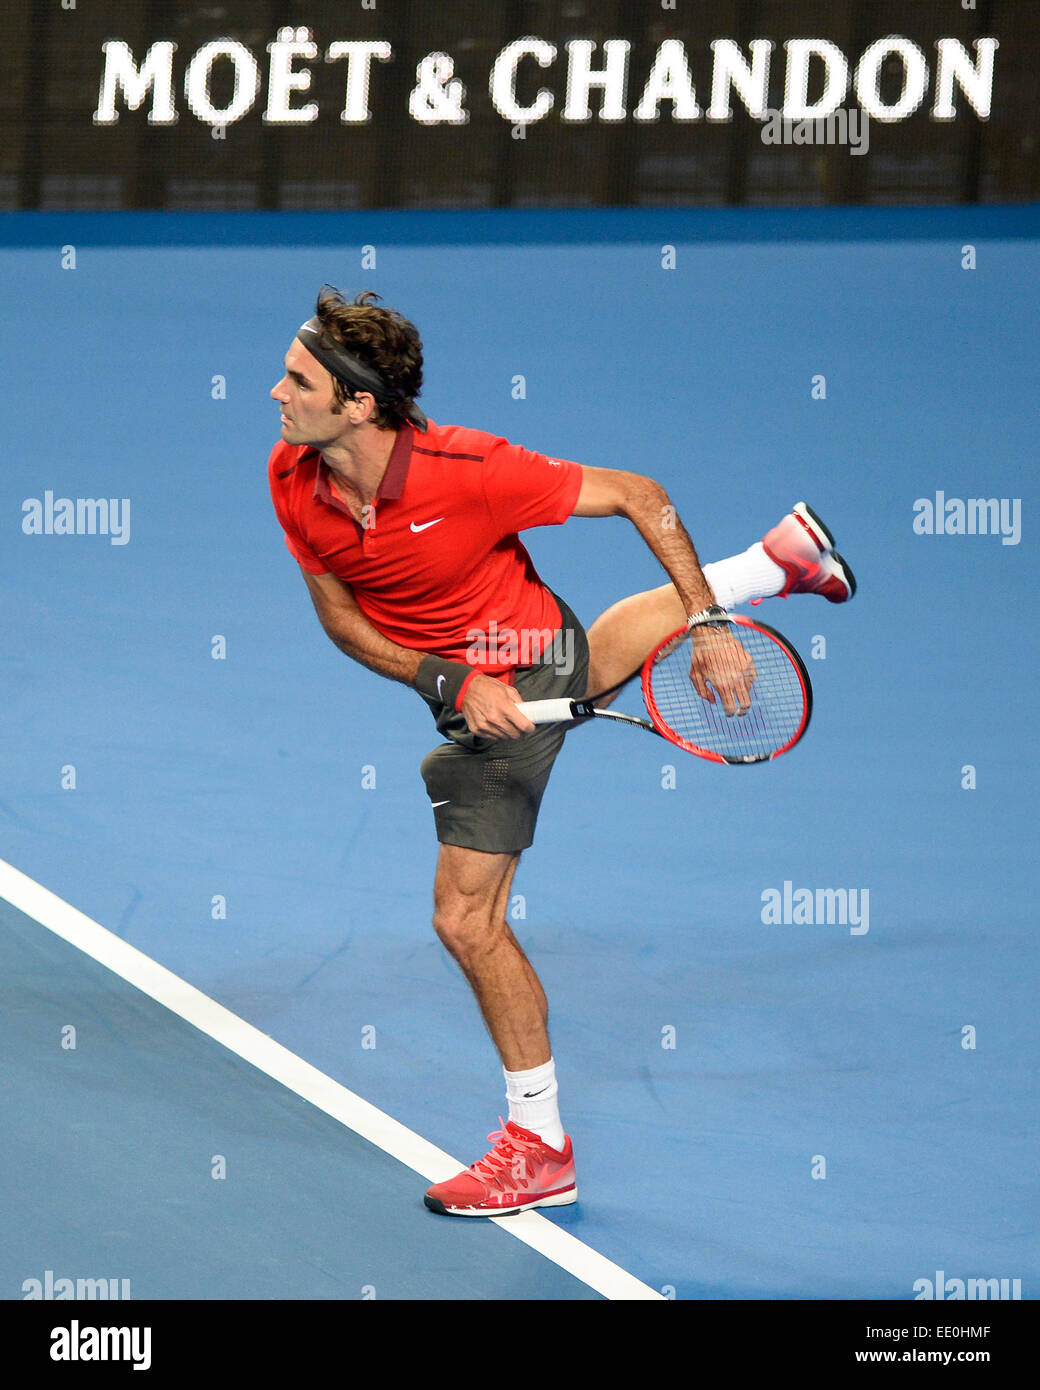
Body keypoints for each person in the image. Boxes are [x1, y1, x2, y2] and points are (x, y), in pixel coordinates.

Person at [268, 288, 856, 1217]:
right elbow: (340, 620)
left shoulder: (471, 470)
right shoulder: (293, 475)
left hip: (524, 669)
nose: (274, 392)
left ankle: (539, 1146)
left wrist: (708, 624)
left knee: (466, 920)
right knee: (598, 666)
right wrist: (446, 681)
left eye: (297, 380)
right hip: (474, 682)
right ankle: (775, 563)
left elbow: (639, 494)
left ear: (360, 404)